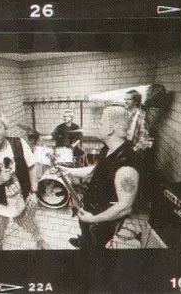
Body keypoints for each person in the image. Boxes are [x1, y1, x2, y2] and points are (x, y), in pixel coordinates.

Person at [59, 105, 140, 249]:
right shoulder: (108, 149)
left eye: (101, 123)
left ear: (110, 129)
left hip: (101, 221)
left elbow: (125, 207)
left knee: (94, 248)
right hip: (91, 210)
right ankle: (84, 241)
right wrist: (69, 171)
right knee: (86, 234)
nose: (97, 126)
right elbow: (96, 170)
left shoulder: (126, 165)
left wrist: (93, 219)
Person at [0, 112, 49, 250]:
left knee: (31, 225)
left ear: (5, 129)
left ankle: (39, 240)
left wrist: (34, 192)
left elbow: (31, 166)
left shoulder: (19, 143)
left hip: (21, 200)